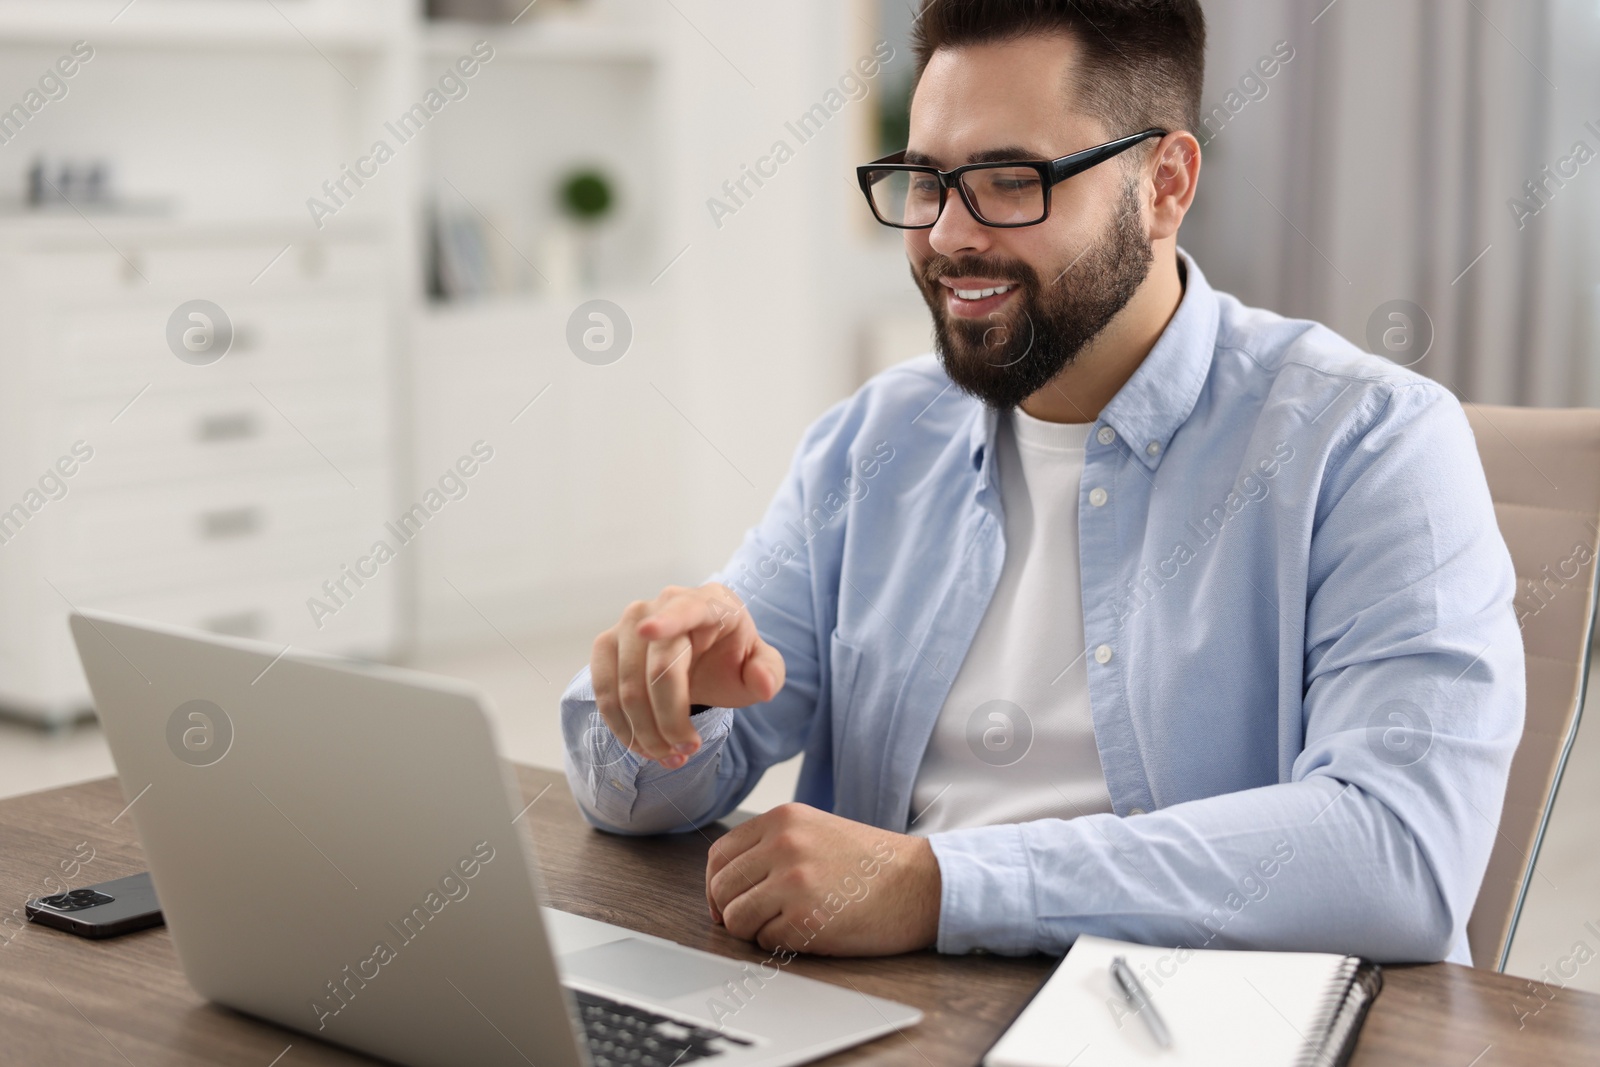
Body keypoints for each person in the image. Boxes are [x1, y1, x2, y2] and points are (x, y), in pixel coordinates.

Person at [558, 0, 1523, 965]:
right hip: (883, 1013)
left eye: (1010, 181)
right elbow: (629, 800)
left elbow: (1397, 853)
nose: (946, 236)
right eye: (925, 182)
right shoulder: (874, 442)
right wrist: (670, 706)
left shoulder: (1372, 443)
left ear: (1166, 184)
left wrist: (941, 886)